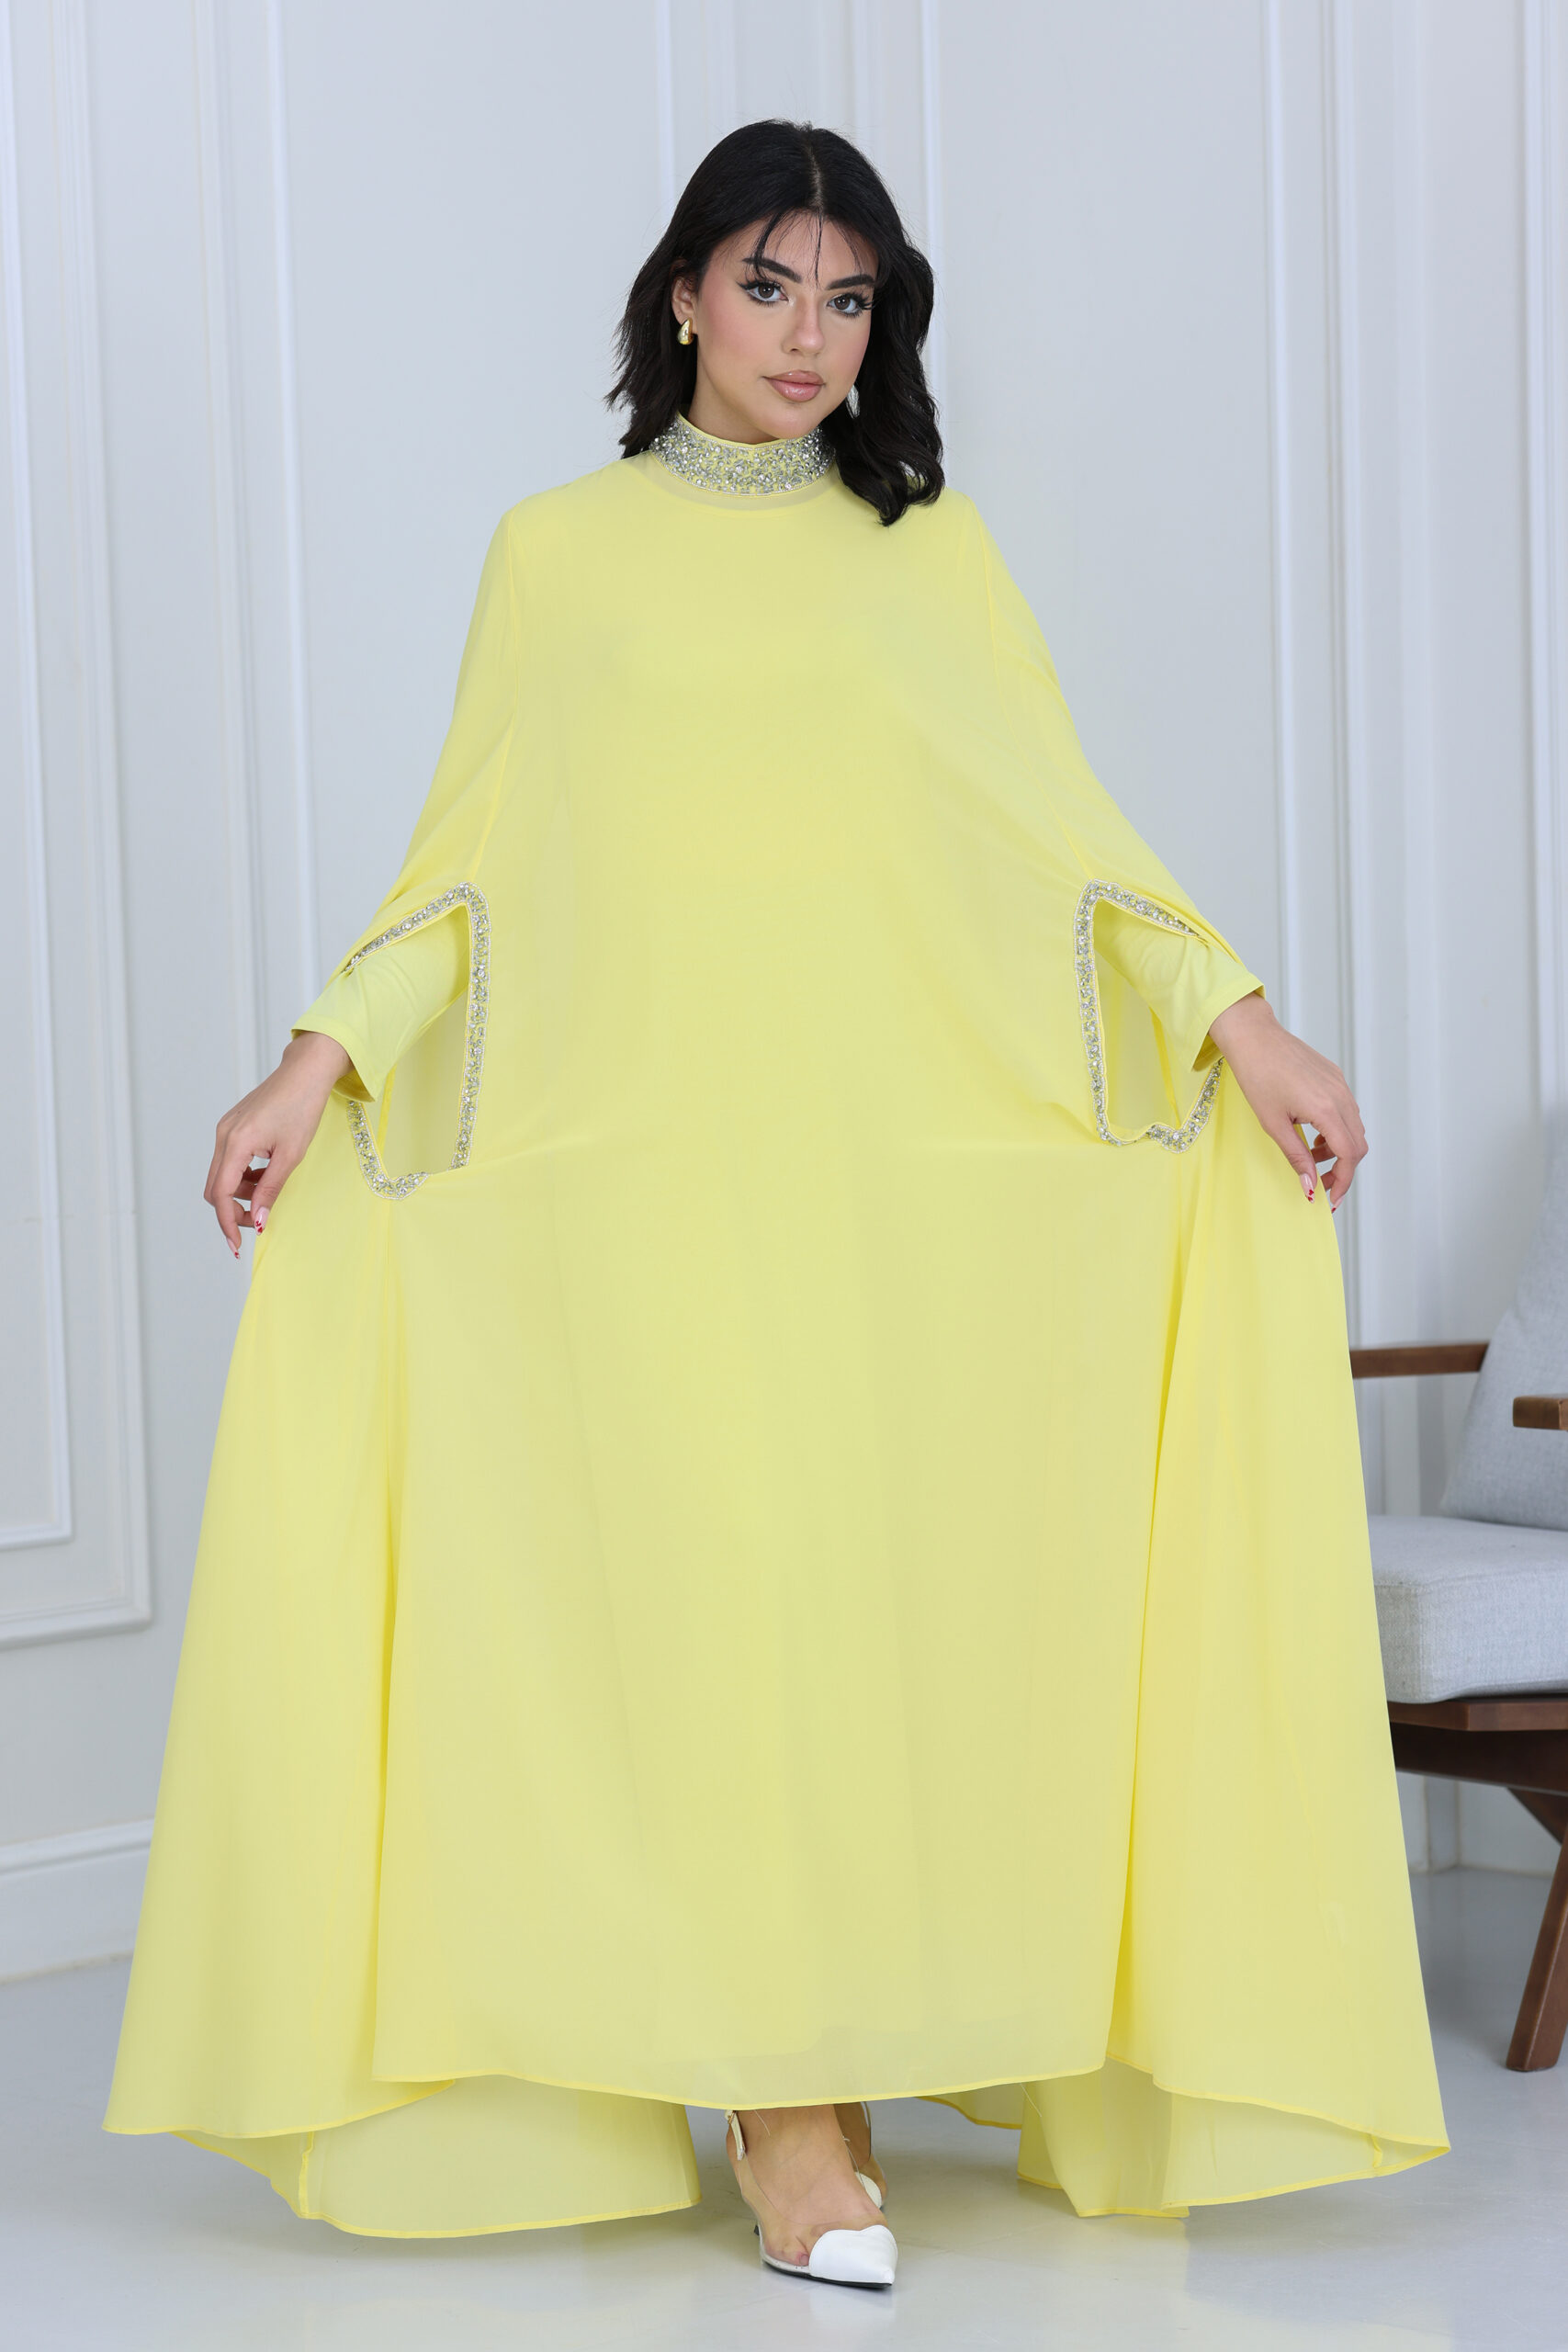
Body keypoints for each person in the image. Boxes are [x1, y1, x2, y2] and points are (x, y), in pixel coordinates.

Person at [105, 120, 1447, 2290]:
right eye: (765, 284)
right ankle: (780, 2105)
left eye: (846, 297)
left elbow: (1063, 843)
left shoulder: (930, 554)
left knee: (863, 1622)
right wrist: (311, 1063)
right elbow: (467, 868)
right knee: (688, 1621)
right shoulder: (555, 555)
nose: (806, 334)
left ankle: (824, 2056)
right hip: (641, 1198)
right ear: (680, 294)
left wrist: (1247, 1028)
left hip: (884, 1199)